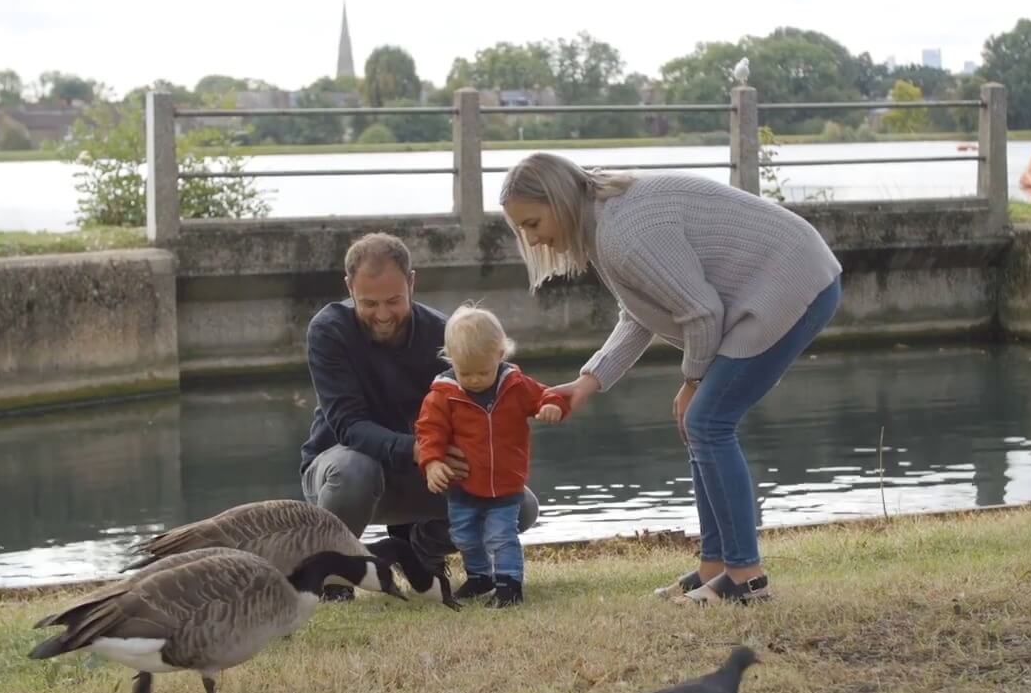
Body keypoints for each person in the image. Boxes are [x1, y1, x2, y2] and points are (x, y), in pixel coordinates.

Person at [497, 153, 842, 605]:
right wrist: (588, 382)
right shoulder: (604, 222)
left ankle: (747, 578)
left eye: (532, 222)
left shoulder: (623, 233)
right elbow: (641, 313)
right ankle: (715, 567)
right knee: (701, 423)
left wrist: (693, 381)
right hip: (775, 282)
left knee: (707, 422)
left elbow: (700, 312)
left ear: (559, 200)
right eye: (521, 229)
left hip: (792, 282)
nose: (532, 238)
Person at [299, 233, 541, 598]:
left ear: (412, 282)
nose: (382, 315)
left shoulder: (443, 335)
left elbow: (491, 396)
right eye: (369, 303)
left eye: (394, 300)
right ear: (349, 287)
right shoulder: (328, 330)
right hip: (343, 473)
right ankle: (334, 574)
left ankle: (423, 546)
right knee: (354, 468)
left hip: (425, 470)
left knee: (521, 506)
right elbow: (348, 426)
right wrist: (418, 449)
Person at [415, 304, 570, 607]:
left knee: (501, 536)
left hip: (505, 484)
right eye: (465, 372)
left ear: (500, 355)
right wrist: (432, 462)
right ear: (450, 359)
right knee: (464, 536)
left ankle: (509, 584)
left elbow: (546, 394)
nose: (473, 379)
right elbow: (429, 431)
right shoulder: (443, 393)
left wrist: (553, 405)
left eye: (482, 372)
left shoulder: (515, 385)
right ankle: (479, 576)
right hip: (462, 485)